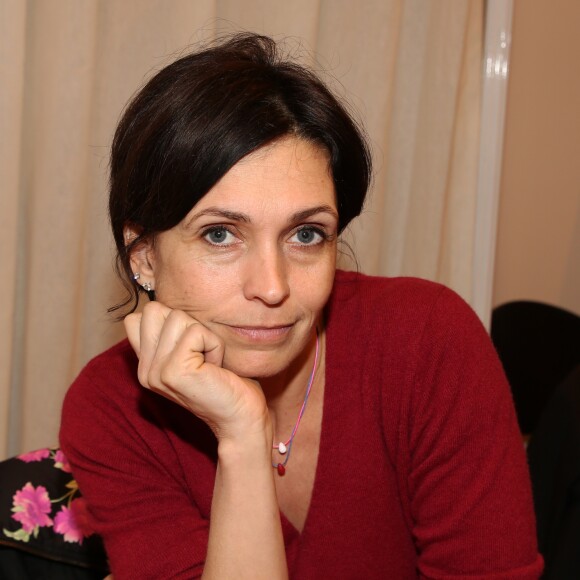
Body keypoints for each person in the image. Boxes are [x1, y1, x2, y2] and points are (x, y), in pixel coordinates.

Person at [60, 33, 543, 579]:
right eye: (220, 235)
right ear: (143, 256)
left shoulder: (425, 343)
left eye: (307, 235)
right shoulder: (112, 410)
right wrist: (243, 436)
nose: (272, 286)